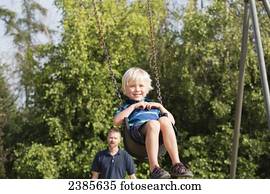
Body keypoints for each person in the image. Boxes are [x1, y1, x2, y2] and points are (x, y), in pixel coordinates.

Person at [113, 67, 193, 179]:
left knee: (164, 120)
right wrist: (133, 106)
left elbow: (172, 121)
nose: (137, 89)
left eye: (141, 86)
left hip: (158, 133)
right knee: (153, 124)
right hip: (137, 133)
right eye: (132, 86)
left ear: (147, 88)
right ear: (125, 89)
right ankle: (154, 167)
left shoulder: (153, 105)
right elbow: (116, 122)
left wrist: (160, 107)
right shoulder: (126, 106)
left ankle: (176, 164)